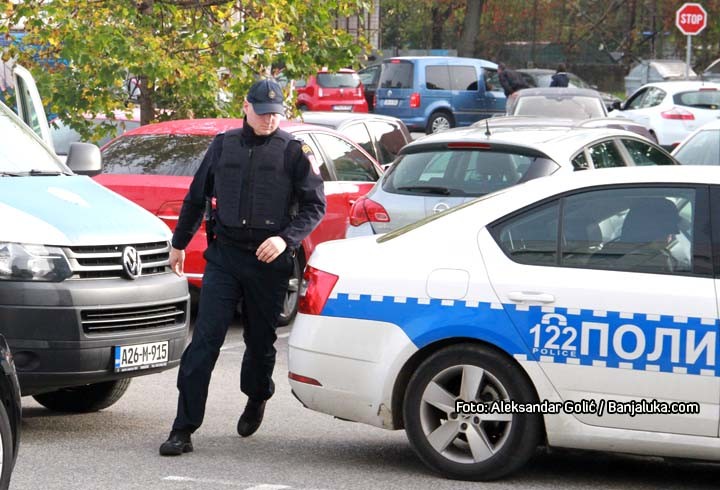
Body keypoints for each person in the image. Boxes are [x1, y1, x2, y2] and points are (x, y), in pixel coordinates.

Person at [159, 78, 326, 456]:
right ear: (246, 107)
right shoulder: (223, 145)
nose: (269, 120)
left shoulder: (293, 150)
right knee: (204, 342)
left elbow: (316, 205)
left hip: (269, 261)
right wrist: (179, 243)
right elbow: (196, 196)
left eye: (276, 114)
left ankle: (257, 395)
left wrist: (286, 238)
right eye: (263, 112)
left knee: (259, 343)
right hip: (227, 256)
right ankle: (183, 428)